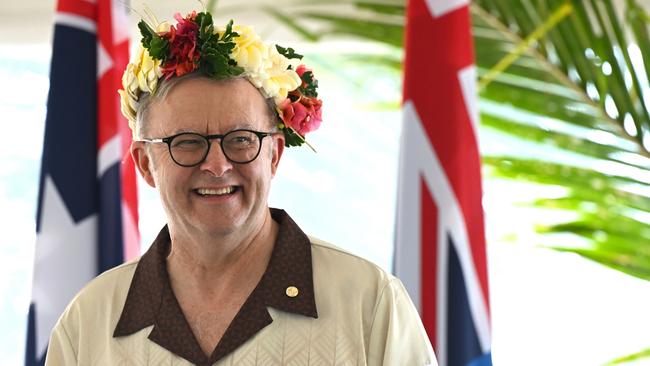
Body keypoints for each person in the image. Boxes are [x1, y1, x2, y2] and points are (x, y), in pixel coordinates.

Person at [45, 10, 437, 366]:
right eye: (187, 141)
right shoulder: (88, 323)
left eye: (241, 139)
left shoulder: (370, 303)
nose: (217, 165)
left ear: (274, 155)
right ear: (146, 164)